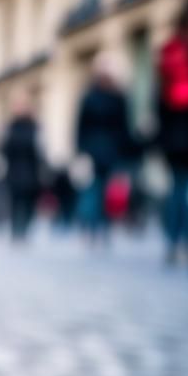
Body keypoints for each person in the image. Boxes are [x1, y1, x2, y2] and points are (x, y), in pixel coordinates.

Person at [74, 53, 134, 241]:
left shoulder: (92, 97)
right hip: (105, 150)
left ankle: (96, 226)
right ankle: (97, 226)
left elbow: (81, 127)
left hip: (99, 150)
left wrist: (80, 149)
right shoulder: (114, 97)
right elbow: (123, 128)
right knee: (99, 190)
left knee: (99, 190)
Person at [156, 0, 188, 263]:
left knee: (181, 189)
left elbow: (158, 100)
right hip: (183, 134)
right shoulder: (178, 55)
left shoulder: (169, 52)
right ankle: (183, 242)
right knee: (185, 189)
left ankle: (176, 242)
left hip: (175, 134)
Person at [0, 94, 44, 241]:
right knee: (15, 202)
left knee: (29, 202)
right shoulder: (10, 127)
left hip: (32, 171)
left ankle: (24, 230)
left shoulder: (35, 126)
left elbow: (40, 150)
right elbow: (3, 149)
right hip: (14, 170)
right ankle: (16, 231)